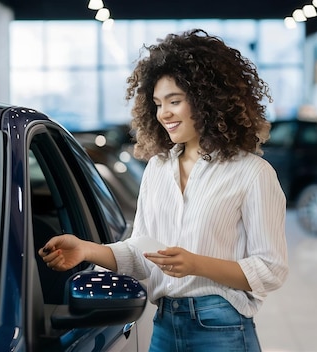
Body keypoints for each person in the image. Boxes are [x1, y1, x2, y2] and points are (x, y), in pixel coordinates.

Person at [39, 28, 288, 352]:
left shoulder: (252, 173)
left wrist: (196, 264)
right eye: (157, 104)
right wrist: (87, 250)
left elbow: (271, 269)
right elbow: (142, 255)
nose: (164, 113)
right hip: (165, 325)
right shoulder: (157, 169)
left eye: (175, 101)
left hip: (221, 328)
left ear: (207, 100)